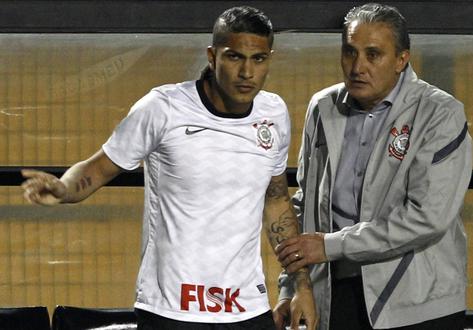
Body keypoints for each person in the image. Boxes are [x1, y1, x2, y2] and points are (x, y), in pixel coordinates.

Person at [21, 6, 317, 330]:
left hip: (246, 308)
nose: (247, 72)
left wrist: (300, 284)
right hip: (172, 311)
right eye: (234, 57)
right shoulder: (164, 108)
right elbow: (100, 167)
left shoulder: (273, 113)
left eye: (258, 59)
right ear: (212, 56)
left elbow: (276, 200)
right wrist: (64, 189)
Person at [273, 3, 473, 330]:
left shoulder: (440, 113)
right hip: (336, 299)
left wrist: (329, 246)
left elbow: (427, 218)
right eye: (349, 52)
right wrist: (291, 286)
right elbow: (305, 205)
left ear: (401, 60)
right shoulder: (322, 108)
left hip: (417, 308)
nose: (358, 66)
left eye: (373, 55)